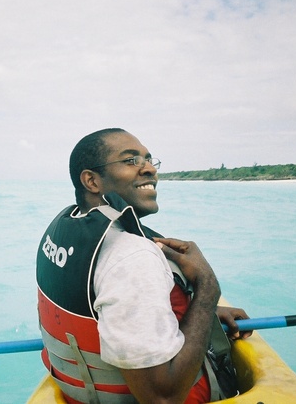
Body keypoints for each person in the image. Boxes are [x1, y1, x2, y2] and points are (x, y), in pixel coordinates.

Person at [36, 128, 251, 404]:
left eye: (149, 160)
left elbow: (105, 307)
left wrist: (197, 313)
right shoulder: (131, 257)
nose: (149, 168)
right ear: (91, 181)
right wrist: (207, 288)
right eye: (131, 160)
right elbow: (163, 398)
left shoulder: (64, 234)